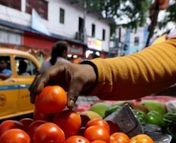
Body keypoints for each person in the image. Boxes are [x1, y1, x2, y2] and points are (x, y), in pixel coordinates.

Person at [29, 29, 176, 109]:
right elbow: (168, 55)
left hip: (48, 102)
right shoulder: (61, 63)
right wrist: (97, 72)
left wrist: (97, 72)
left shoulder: (47, 61)